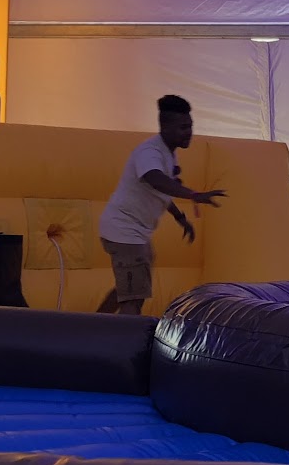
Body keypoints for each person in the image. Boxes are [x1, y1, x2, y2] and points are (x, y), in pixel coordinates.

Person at [96, 94, 225, 316]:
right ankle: (125, 337)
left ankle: (91, 325)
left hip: (134, 233)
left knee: (127, 290)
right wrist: (194, 195)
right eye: (183, 127)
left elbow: (161, 191)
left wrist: (180, 218)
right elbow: (155, 179)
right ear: (165, 127)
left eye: (190, 126)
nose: (189, 133)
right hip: (124, 232)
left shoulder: (168, 154)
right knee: (134, 297)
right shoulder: (150, 152)